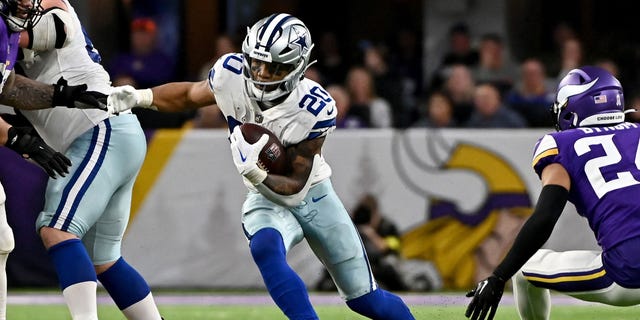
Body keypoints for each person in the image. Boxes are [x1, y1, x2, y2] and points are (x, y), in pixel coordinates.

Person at [107, 13, 416, 320]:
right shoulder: (231, 75)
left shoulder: (313, 107)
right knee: (265, 247)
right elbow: (190, 94)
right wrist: (139, 96)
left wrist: (257, 172)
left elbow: (296, 185)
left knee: (366, 300)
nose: (262, 73)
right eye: (257, 62)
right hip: (265, 197)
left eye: (274, 67)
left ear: (297, 68)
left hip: (313, 194)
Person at [11, 0, 163, 319]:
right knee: (104, 258)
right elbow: (11, 90)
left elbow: (52, 30)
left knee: (57, 229)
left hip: (99, 129)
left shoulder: (50, 14)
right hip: (109, 133)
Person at [465, 65, 640, 320]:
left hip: (628, 271)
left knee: (525, 271)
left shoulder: (561, 145)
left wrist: (498, 276)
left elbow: (545, 217)